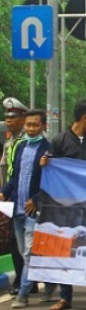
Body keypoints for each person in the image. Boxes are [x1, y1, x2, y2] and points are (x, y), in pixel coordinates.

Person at [45, 100, 86, 310]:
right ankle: (65, 296)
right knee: (66, 247)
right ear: (85, 118)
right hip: (66, 205)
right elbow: (50, 170)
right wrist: (45, 164)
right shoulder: (59, 141)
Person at [0, 110, 50, 309]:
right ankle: (51, 283)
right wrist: (4, 192)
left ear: (43, 126)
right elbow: (15, 176)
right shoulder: (20, 147)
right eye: (28, 125)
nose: (31, 128)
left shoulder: (48, 149)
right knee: (23, 252)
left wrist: (36, 199)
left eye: (35, 125)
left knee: (29, 252)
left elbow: (51, 181)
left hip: (33, 210)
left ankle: (23, 294)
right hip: (18, 208)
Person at [1, 97, 28, 296]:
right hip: (10, 195)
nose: (9, 121)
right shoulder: (9, 142)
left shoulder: (28, 140)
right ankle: (21, 278)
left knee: (27, 241)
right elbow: (5, 168)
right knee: (13, 240)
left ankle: (26, 280)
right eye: (7, 117)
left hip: (26, 196)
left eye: (13, 117)